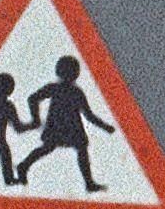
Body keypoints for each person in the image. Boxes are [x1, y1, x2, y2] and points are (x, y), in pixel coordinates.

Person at [16, 54, 115, 193]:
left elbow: (88, 115)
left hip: (70, 127)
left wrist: (105, 127)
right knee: (55, 148)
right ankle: (24, 166)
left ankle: (89, 183)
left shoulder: (72, 91)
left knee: (72, 148)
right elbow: (32, 99)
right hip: (61, 126)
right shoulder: (65, 90)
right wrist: (36, 119)